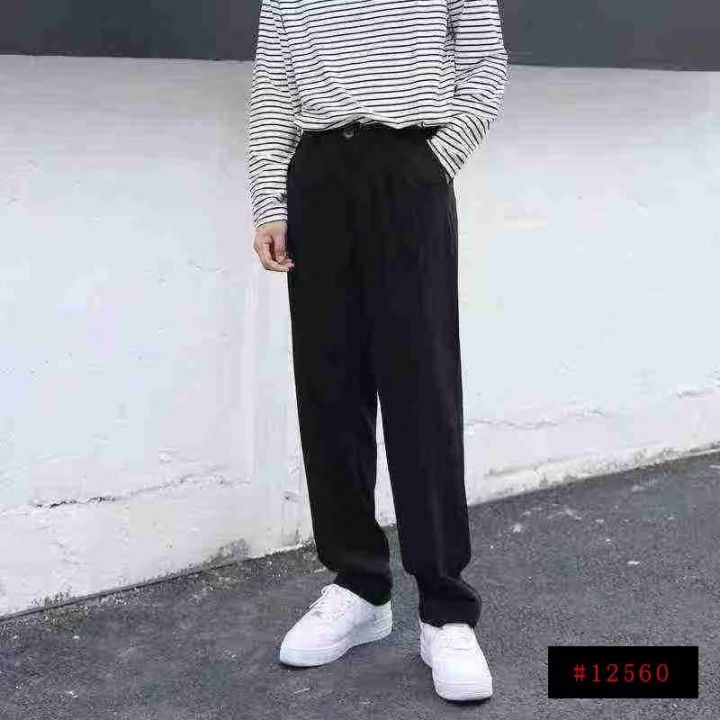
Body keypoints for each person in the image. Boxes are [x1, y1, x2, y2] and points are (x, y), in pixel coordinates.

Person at [247, 0, 508, 702]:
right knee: (329, 389)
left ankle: (445, 608)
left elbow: (485, 65)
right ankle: (359, 585)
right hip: (318, 174)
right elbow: (274, 86)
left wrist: (433, 160)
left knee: (422, 390)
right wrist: (270, 201)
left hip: (410, 165)